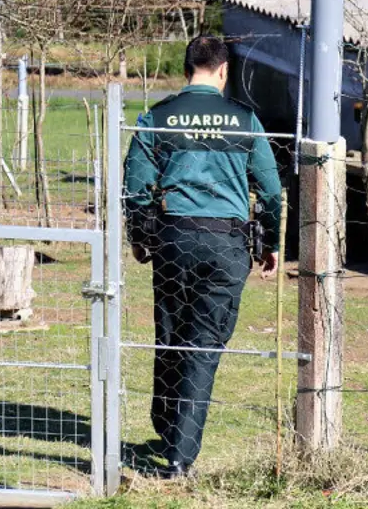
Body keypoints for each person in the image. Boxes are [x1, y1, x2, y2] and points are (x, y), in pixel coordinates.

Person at [124, 35, 282, 478]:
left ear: (186, 68)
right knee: (203, 347)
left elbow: (135, 187)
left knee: (170, 333)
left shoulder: (158, 117)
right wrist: (270, 242)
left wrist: (140, 235)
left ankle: (167, 428)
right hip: (226, 244)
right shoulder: (245, 120)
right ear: (224, 70)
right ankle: (180, 455)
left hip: (174, 239)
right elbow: (271, 190)